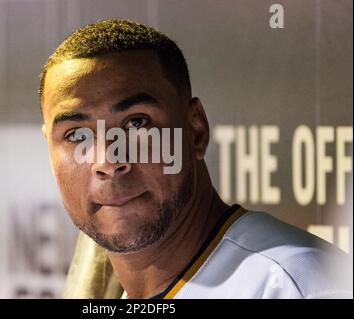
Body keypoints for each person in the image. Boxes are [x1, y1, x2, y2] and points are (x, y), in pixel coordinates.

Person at [38, 19, 352, 299]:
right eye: (77, 135)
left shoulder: (302, 284)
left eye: (137, 123)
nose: (107, 161)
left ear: (196, 130)